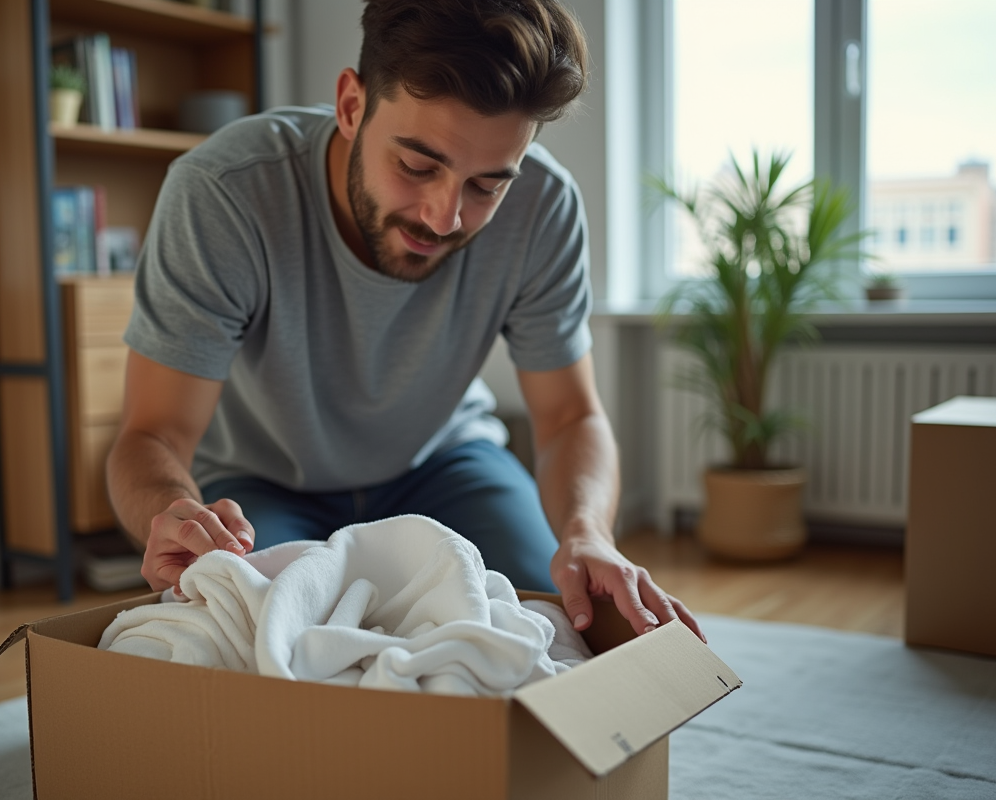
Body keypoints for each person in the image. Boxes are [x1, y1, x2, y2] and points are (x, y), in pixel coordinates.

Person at [107, 0, 704, 643]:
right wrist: (177, 516)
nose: (444, 217)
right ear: (351, 105)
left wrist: (588, 532)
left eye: (487, 186)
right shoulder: (223, 193)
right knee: (259, 632)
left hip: (446, 462)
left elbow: (569, 417)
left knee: (560, 620)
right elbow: (153, 432)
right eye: (418, 166)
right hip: (263, 485)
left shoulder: (546, 207)